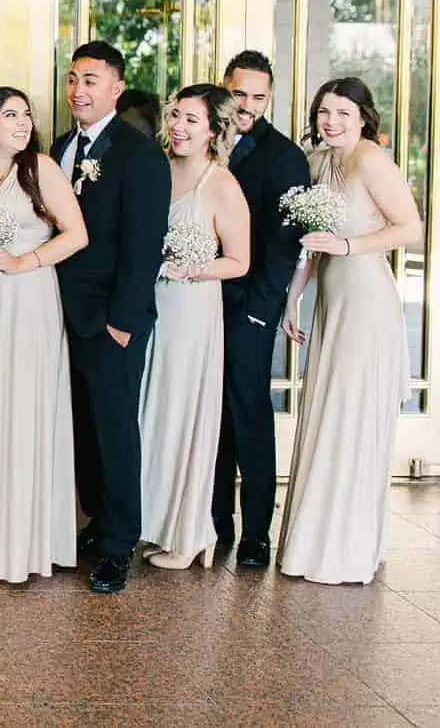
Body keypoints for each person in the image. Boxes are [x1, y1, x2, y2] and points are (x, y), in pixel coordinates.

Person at [279, 77, 421, 585]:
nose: (330, 121)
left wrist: (349, 246)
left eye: (342, 112)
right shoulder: (319, 163)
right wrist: (293, 295)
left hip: (366, 299)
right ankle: (314, 540)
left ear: (362, 117)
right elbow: (311, 245)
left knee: (351, 415)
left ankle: (346, 547)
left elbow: (413, 228)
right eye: (324, 111)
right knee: (326, 413)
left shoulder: (371, 161)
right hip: (330, 300)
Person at [0, 87, 87, 584]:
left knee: (21, 410)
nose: (23, 122)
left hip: (29, 304)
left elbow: (76, 234)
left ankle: (24, 540)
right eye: (11, 115)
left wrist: (22, 261)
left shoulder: (40, 169)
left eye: (27, 114)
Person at [50, 41, 171, 594]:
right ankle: (97, 520)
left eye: (92, 80)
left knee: (115, 428)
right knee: (81, 425)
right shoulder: (58, 148)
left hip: (111, 319)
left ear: (116, 89)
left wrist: (122, 321)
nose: (79, 90)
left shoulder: (139, 153)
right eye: (74, 78)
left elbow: (144, 245)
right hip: (62, 314)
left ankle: (120, 545)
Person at [138, 85, 250, 571]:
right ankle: (150, 521)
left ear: (214, 131)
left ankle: (189, 533)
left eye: (191, 120)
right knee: (151, 409)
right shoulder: (155, 169)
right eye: (175, 116)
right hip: (150, 305)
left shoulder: (221, 184)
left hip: (190, 309)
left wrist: (192, 268)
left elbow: (239, 262)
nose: (179, 128)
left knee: (183, 411)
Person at [213, 50, 310, 568]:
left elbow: (284, 246)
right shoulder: (206, 139)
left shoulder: (284, 157)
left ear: (268, 99)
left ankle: (255, 532)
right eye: (240, 93)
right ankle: (214, 521)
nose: (247, 105)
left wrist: (259, 311)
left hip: (249, 306)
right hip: (203, 302)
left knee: (250, 415)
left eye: (258, 96)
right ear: (225, 89)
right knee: (213, 413)